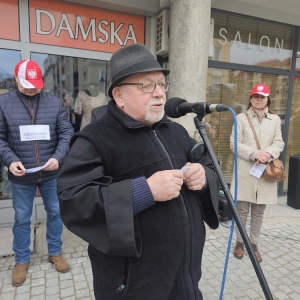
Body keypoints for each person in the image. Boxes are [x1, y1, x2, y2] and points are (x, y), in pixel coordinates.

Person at [57, 43, 220, 300]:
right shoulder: (94, 140)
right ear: (119, 95)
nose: (159, 93)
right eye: (146, 85)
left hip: (185, 278)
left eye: (161, 84)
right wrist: (145, 191)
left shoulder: (176, 131)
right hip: (133, 287)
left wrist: (203, 177)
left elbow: (211, 168)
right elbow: (73, 201)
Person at [0, 59, 74, 287]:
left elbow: (67, 133)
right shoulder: (3, 103)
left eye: (35, 84)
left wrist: (58, 157)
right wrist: (10, 161)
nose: (32, 88)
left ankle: (55, 251)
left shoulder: (54, 103)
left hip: (51, 173)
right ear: (17, 80)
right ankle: (22, 260)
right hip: (22, 176)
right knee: (22, 218)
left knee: (55, 213)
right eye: (27, 84)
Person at [230, 83, 284, 263]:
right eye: (255, 96)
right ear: (251, 98)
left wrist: (267, 154)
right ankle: (240, 243)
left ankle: (253, 244)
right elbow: (234, 143)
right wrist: (254, 154)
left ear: (268, 98)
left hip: (265, 172)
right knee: (242, 210)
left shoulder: (275, 120)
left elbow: (279, 143)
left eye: (262, 96)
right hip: (246, 170)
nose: (259, 99)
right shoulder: (241, 118)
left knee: (259, 211)